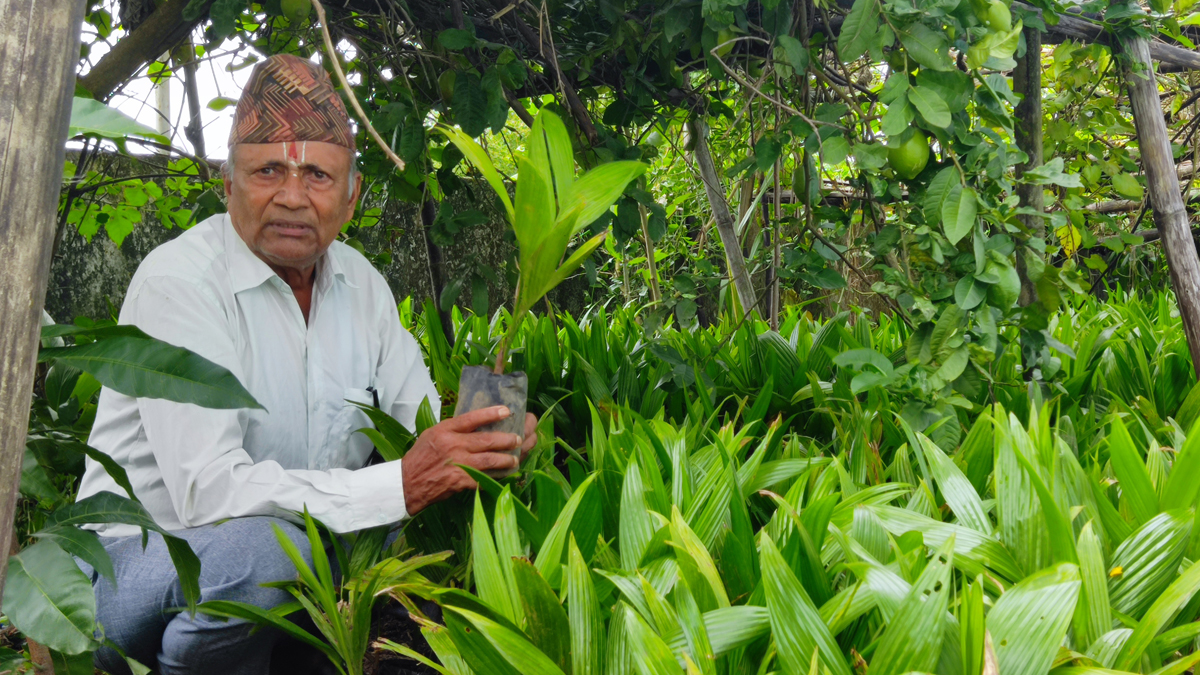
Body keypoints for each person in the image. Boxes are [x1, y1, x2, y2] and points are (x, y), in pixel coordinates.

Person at [73, 53, 535, 674]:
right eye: (267, 170)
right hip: (131, 564)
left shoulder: (361, 285)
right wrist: (399, 483)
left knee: (410, 526)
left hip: (294, 567)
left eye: (318, 176)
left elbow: (417, 420)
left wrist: (482, 437)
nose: (293, 197)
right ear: (227, 182)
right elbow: (207, 496)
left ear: (350, 196)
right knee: (275, 548)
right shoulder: (179, 283)